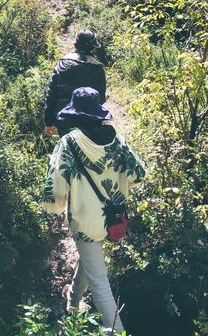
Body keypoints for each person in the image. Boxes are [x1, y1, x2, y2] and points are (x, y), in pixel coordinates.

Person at [42, 87, 145, 335]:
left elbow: (55, 189)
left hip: (85, 220)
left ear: (74, 115)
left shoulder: (69, 143)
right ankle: (73, 300)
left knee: (99, 282)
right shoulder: (116, 139)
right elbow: (138, 174)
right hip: (112, 217)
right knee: (91, 257)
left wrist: (54, 208)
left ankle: (116, 331)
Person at [44, 30, 106, 137]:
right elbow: (101, 99)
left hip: (63, 119)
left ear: (75, 44)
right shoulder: (97, 68)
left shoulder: (61, 64)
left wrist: (49, 122)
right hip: (88, 120)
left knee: (68, 146)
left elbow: (51, 94)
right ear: (93, 47)